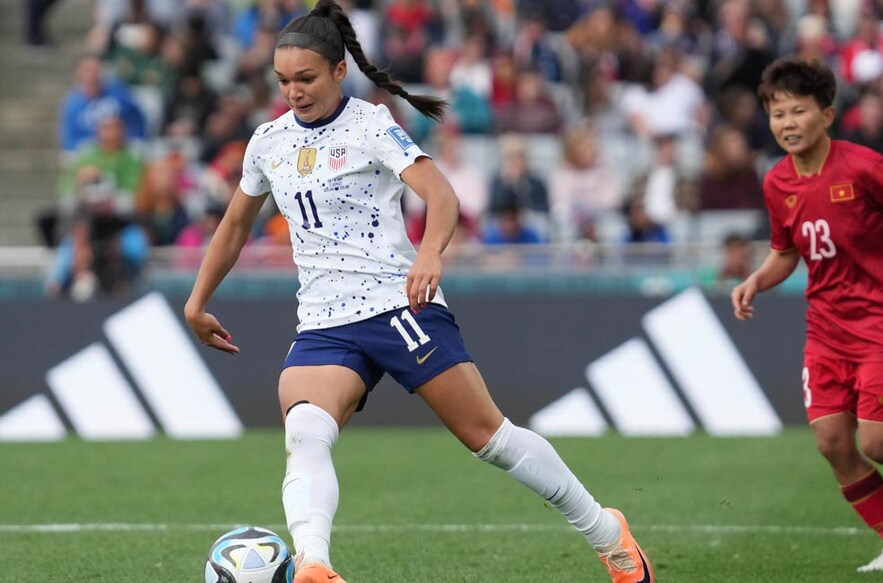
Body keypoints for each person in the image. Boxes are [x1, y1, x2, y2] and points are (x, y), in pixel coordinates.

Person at [181, 3, 654, 583]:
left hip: (398, 304)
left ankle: (607, 533)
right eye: (283, 81)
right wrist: (197, 300)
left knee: (490, 438)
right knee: (304, 430)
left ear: (337, 71)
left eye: (305, 78)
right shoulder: (268, 141)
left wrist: (429, 255)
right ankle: (314, 566)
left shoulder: (371, 125)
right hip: (325, 321)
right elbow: (233, 226)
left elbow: (443, 197)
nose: (294, 92)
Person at [731, 58, 883, 573]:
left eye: (799, 111)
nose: (788, 123)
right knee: (832, 442)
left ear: (827, 114)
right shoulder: (777, 183)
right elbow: (786, 252)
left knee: (879, 443)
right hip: (825, 330)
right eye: (778, 114)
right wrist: (756, 278)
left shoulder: (864, 166)